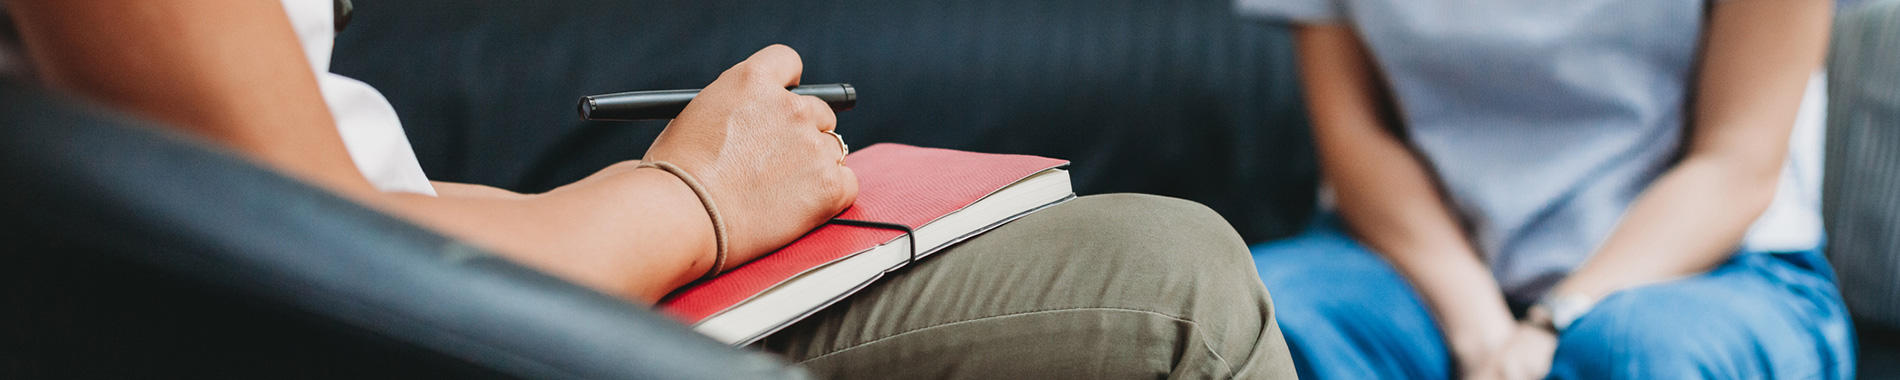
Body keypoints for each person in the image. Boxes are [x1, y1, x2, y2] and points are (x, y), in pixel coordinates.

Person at [3, 1, 1298, 378]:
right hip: (389, 324)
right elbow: (294, 251)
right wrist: (692, 199)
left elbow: (328, 177)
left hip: (422, 271)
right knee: (1163, 286)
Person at [1236, 0, 1856, 379]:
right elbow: (1357, 137)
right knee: (1258, 325)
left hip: (1707, 270)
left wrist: (1549, 325)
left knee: (1636, 356)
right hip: (1412, 261)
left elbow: (1736, 165)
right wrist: (1482, 332)